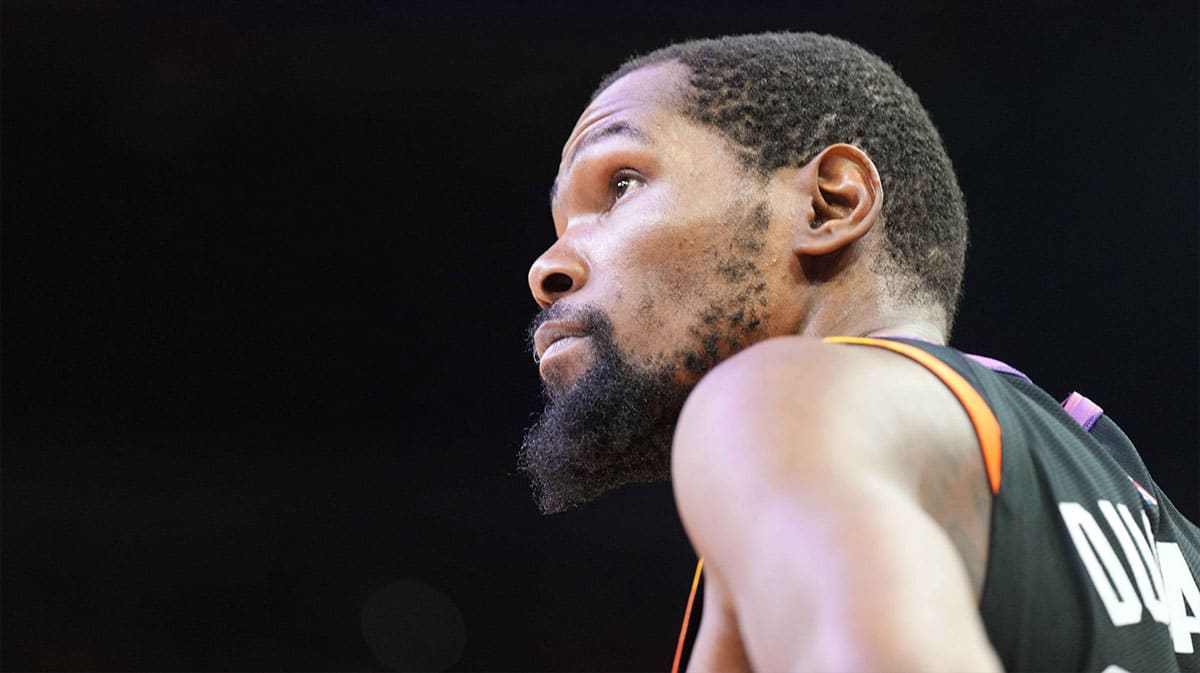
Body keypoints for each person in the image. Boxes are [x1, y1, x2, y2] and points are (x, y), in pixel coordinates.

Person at [517, 32, 1200, 672]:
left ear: (829, 204)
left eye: (622, 184)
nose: (547, 266)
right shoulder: (1171, 541)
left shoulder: (780, 399)